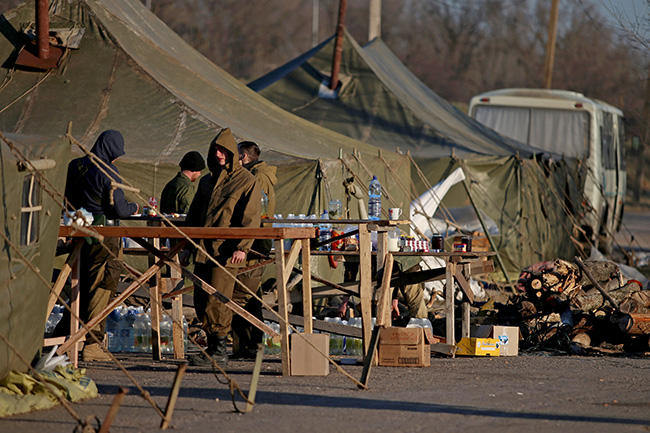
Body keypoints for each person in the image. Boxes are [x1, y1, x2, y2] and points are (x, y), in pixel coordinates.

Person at [183, 128, 261, 366]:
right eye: (215, 149)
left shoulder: (246, 181)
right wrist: (186, 244)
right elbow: (194, 215)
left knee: (218, 298)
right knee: (200, 299)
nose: (219, 154)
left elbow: (251, 217)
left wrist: (242, 247)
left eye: (223, 150)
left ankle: (219, 351)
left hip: (226, 252)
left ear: (232, 152)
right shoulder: (206, 181)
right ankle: (211, 346)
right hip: (203, 249)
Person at [63, 130, 139, 361]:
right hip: (104, 234)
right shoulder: (108, 171)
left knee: (80, 283)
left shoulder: (76, 166)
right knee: (102, 285)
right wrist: (133, 208)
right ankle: (92, 343)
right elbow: (117, 208)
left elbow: (66, 198)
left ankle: (68, 335)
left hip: (79, 229)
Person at [230, 141, 277, 359]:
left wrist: (244, 244)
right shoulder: (258, 176)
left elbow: (253, 215)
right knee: (247, 294)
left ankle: (251, 346)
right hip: (254, 242)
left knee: (243, 296)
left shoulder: (256, 179)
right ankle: (247, 347)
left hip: (253, 244)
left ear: (243, 157)